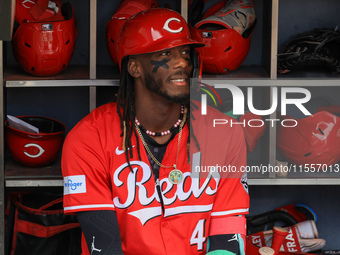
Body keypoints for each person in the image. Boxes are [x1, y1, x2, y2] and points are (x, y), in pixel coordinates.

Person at [62, 8, 249, 255]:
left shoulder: (226, 132)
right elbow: (104, 247)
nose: (182, 62)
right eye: (165, 54)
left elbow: (228, 234)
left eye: (184, 53)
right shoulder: (88, 139)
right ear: (134, 68)